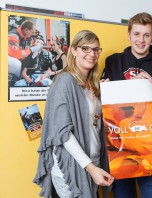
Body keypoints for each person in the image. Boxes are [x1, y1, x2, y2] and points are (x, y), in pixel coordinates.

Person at [101, 12, 152, 198]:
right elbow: (105, 101)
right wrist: (135, 84)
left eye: (146, 35)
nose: (141, 40)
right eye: (136, 34)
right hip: (119, 149)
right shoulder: (113, 61)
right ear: (129, 34)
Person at [33, 30, 114, 198]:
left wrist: (104, 93)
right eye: (85, 48)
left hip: (93, 163)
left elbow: (94, 122)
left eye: (96, 49)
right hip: (73, 168)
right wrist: (90, 168)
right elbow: (62, 134)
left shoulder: (90, 85)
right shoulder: (63, 81)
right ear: (74, 51)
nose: (92, 54)